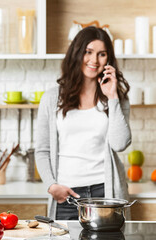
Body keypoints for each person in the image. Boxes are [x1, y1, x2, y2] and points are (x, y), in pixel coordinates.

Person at [35, 26, 131, 220]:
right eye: (88, 52)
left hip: (106, 192)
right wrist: (51, 185)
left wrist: (112, 96)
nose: (94, 60)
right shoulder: (52, 98)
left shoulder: (116, 98)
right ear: (77, 53)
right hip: (67, 195)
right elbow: (42, 150)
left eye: (102, 54)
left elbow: (120, 143)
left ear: (108, 59)